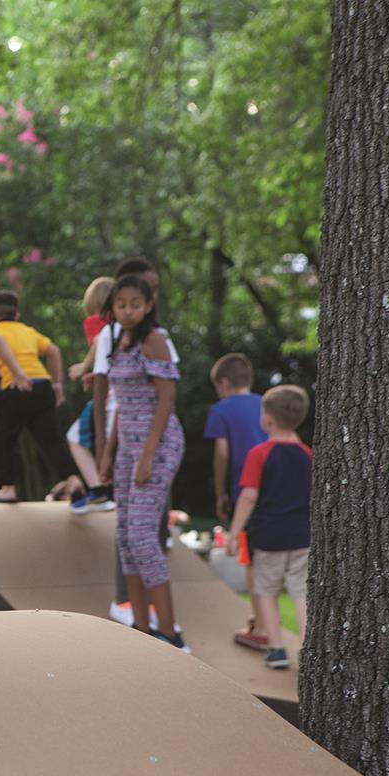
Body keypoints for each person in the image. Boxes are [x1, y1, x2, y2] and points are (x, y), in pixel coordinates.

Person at [96, 275, 188, 651]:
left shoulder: (155, 340)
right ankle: (139, 627)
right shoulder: (121, 341)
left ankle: (170, 632)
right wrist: (108, 451)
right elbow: (123, 402)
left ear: (148, 305)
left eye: (136, 304)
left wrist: (148, 456)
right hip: (128, 448)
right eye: (121, 305)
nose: (128, 310)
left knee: (142, 537)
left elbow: (166, 401)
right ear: (113, 308)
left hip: (159, 445)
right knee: (124, 538)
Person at [225, 385, 312, 669]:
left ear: (269, 419)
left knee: (266, 590)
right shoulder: (307, 455)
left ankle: (276, 648)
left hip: (269, 537)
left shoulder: (260, 453)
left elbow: (249, 497)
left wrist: (234, 533)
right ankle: (306, 650)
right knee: (301, 591)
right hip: (301, 535)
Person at [0, 290, 86, 505]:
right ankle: (73, 480)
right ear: (17, 315)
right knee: (51, 439)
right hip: (42, 387)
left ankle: (7, 489)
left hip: (17, 388)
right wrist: (57, 384)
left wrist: (18, 373)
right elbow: (54, 351)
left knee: (3, 441)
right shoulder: (28, 331)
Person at [204, 353, 267, 650]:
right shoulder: (267, 404)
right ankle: (268, 621)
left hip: (246, 491)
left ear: (224, 382)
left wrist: (220, 493)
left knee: (252, 560)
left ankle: (261, 625)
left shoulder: (221, 409)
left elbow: (222, 454)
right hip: (277, 490)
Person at [65, 276, 116, 513]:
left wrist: (83, 367)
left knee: (75, 437)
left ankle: (97, 489)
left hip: (109, 399)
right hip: (120, 396)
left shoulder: (98, 322)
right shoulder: (125, 326)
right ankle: (111, 490)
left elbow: (99, 341)